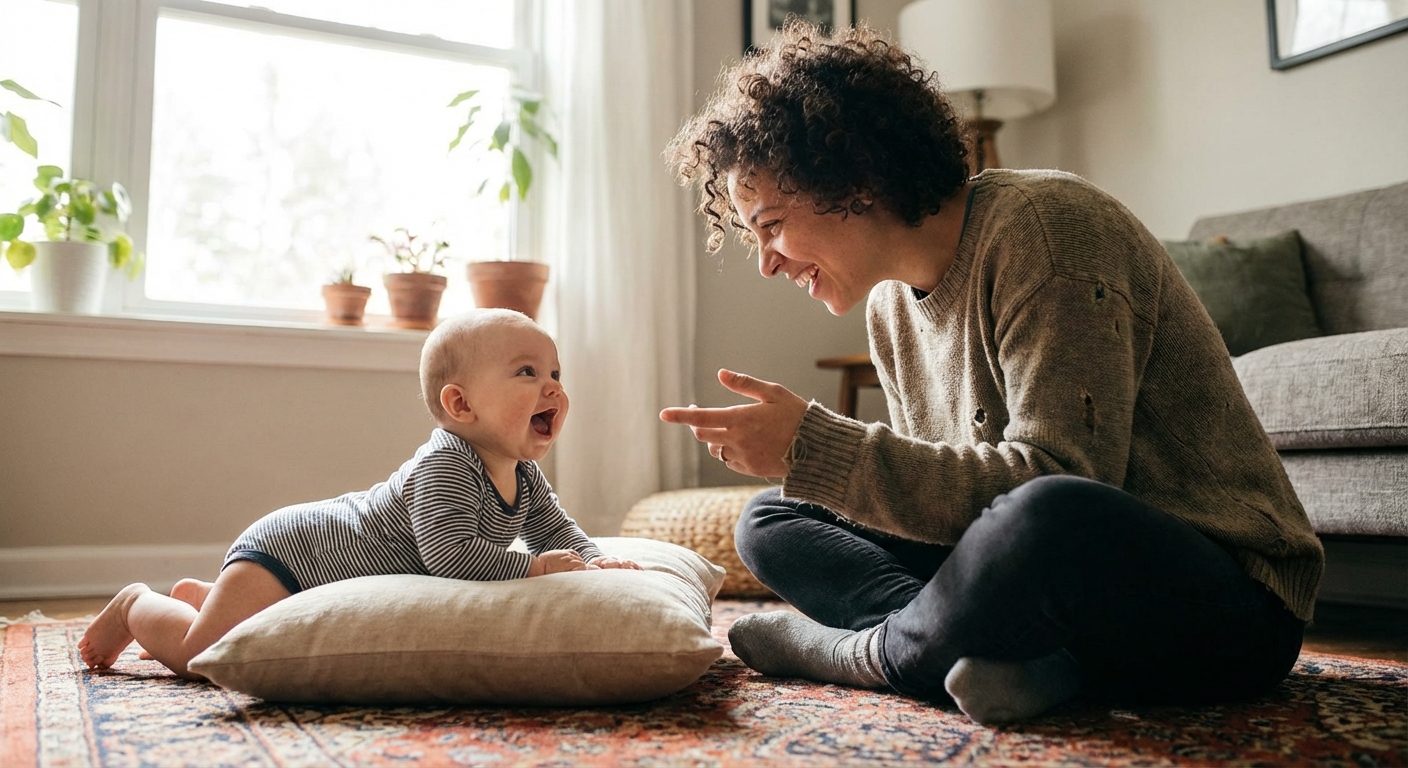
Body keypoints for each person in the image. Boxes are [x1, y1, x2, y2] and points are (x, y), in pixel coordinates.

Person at [660, 20, 1323, 725]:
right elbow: (953, 515)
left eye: (769, 224)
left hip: (1227, 605)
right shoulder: (888, 306)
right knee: (772, 517)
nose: (765, 261)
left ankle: (869, 655)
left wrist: (819, 444)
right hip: (1052, 600)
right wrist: (807, 463)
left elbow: (1059, 482)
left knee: (1048, 512)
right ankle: (1003, 660)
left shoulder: (1048, 228)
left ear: (852, 178)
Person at [79, 308, 640, 679]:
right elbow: (449, 556)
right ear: (461, 405)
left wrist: (593, 559)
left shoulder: (522, 474)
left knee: (231, 626)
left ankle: (201, 596)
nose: (553, 388)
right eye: (526, 372)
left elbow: (556, 530)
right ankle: (137, 605)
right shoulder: (447, 465)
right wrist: (537, 570)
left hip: (306, 563)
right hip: (291, 554)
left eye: (556, 373)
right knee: (201, 658)